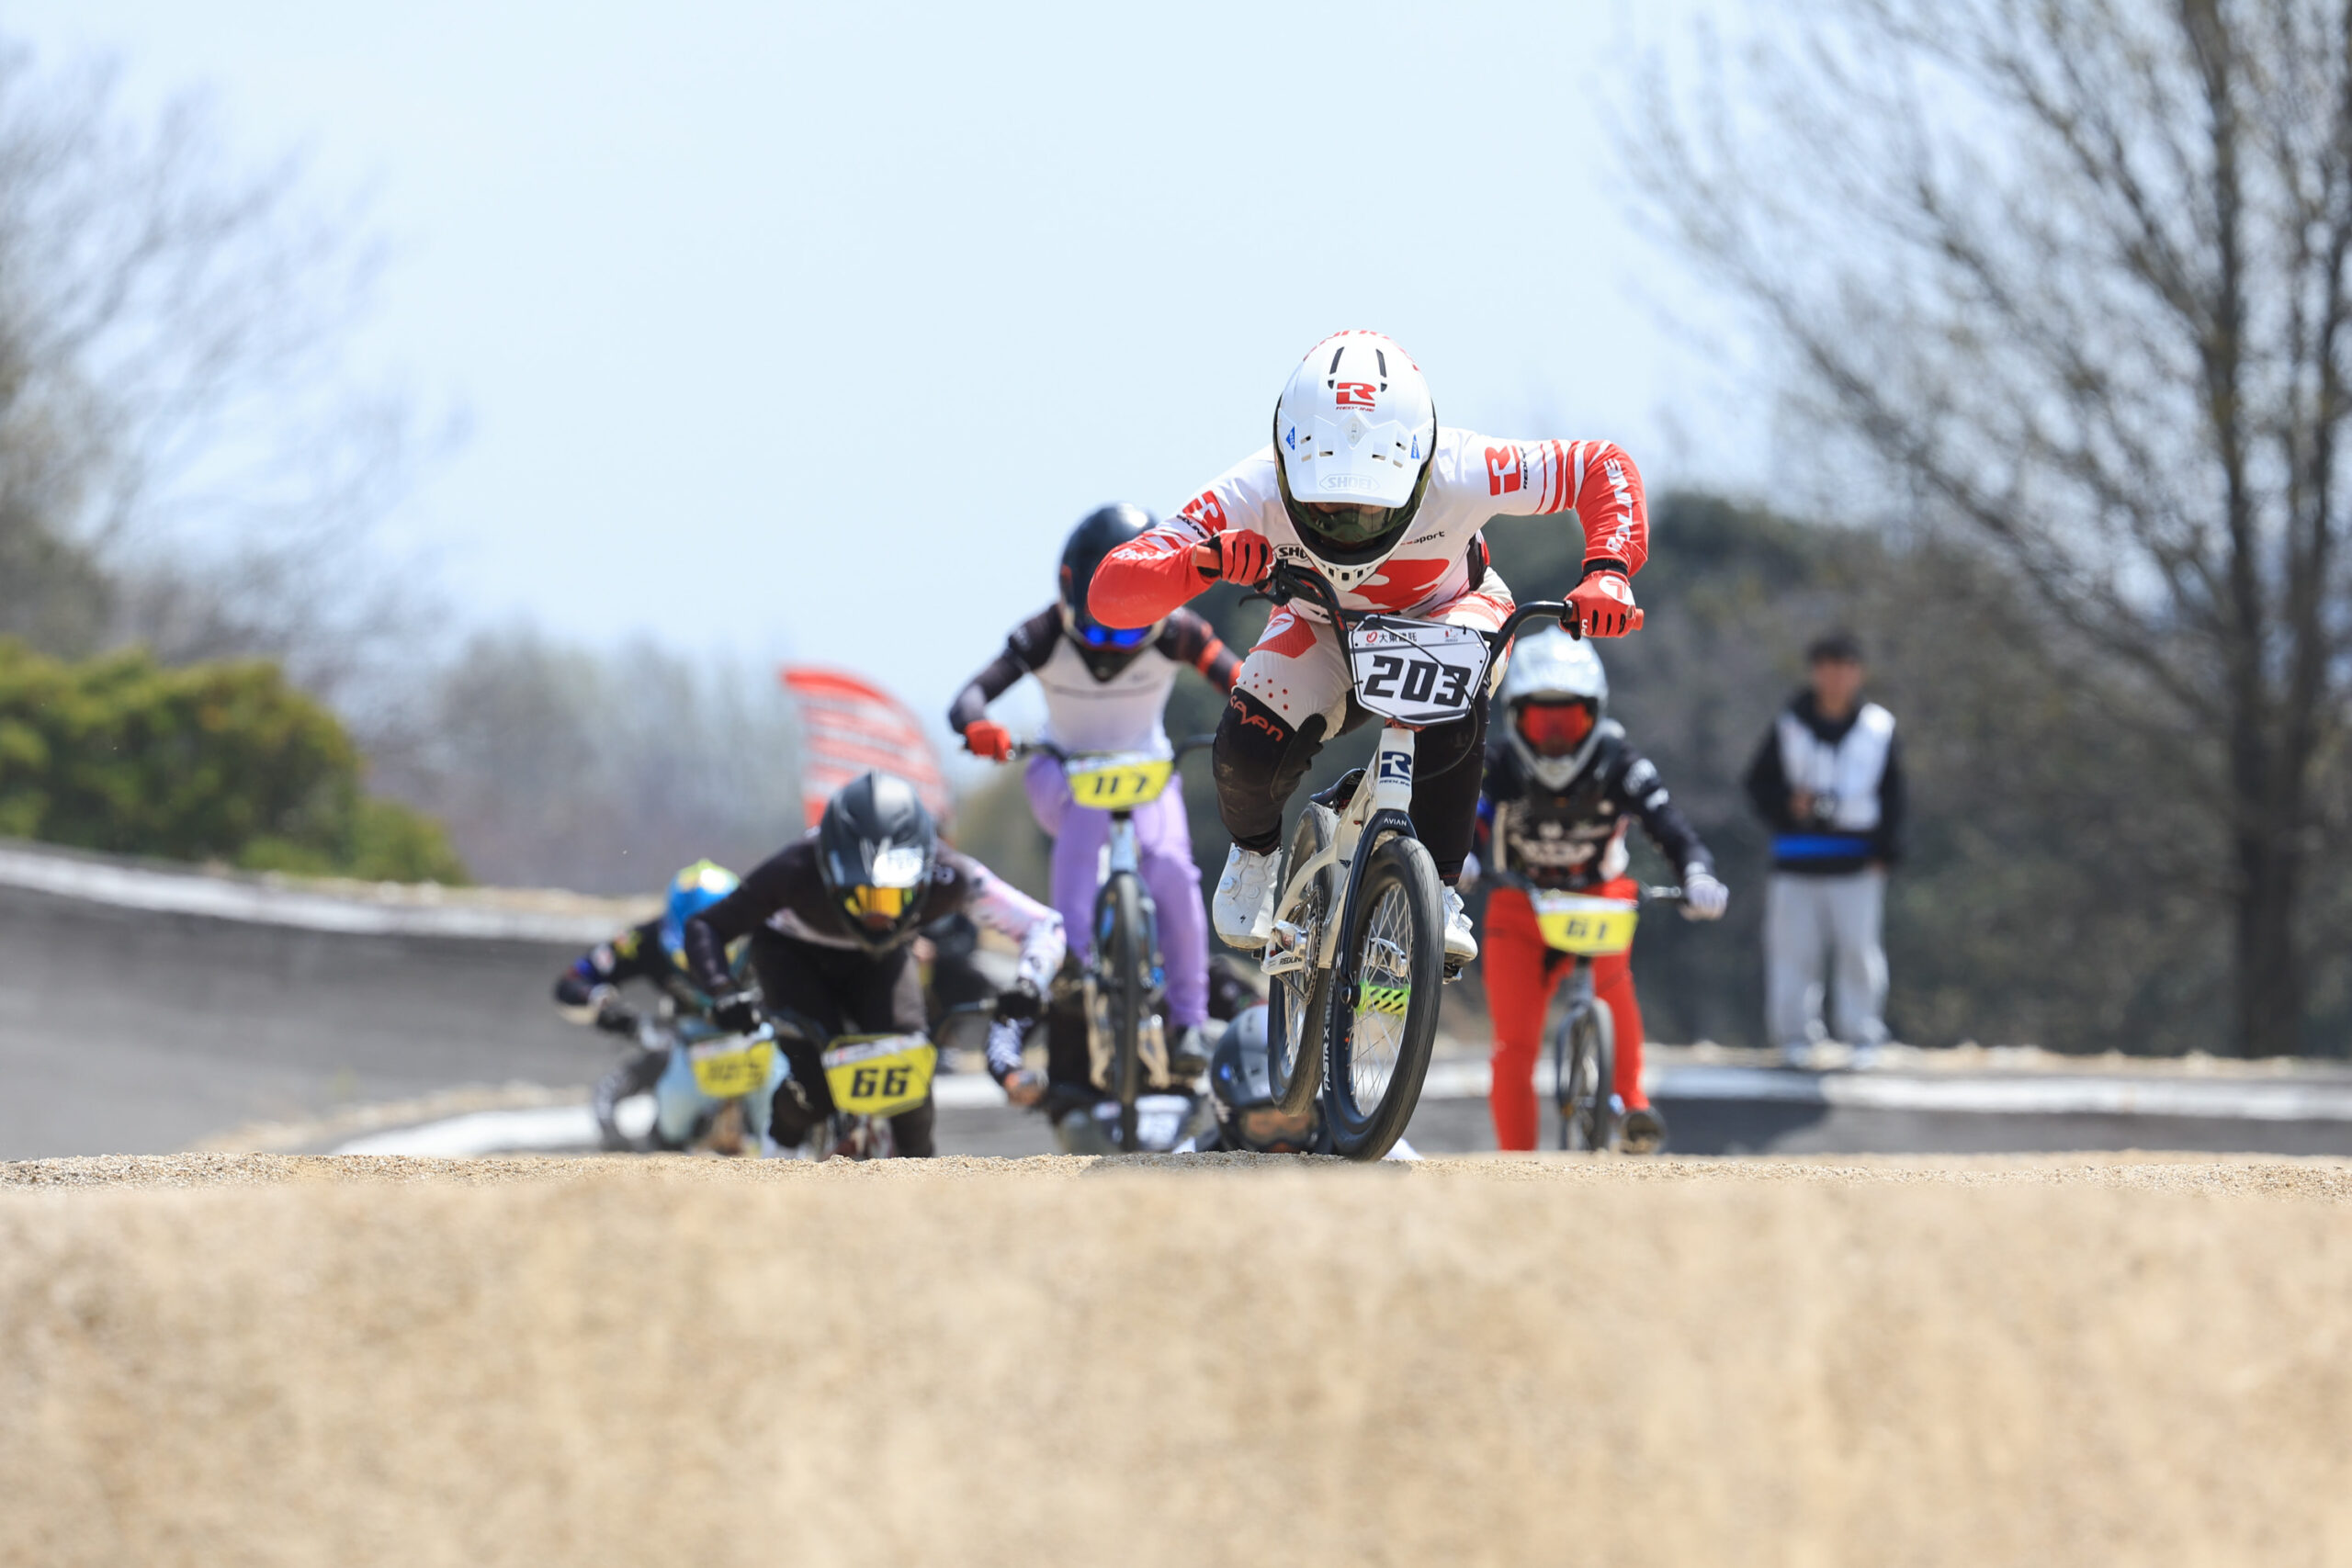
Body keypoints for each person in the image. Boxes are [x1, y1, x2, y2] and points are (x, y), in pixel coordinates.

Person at [1085, 330, 1649, 967]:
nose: (1350, 522)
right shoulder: (1253, 488)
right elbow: (1112, 589)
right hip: (1323, 624)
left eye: (1371, 506)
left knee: (1452, 684)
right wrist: (1200, 562)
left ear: (1420, 463)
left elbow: (1601, 467)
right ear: (1287, 462)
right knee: (1245, 753)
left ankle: (1437, 883)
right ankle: (1256, 855)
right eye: (1328, 503)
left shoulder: (1464, 465)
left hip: (1447, 612)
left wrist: (1608, 568)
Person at [949, 503, 1241, 1079]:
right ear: (1068, 598)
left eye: (1134, 628)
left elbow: (1243, 681)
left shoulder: (1181, 633)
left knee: (1175, 873)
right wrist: (979, 728)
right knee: (1086, 812)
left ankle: (1186, 1021)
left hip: (1148, 771)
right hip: (1062, 771)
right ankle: (1075, 961)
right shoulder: (1040, 636)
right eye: (1101, 625)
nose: (1113, 645)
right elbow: (968, 700)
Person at [680, 772, 1066, 1156]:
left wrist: (1030, 982)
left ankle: (920, 1179)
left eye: (893, 898)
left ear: (923, 873)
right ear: (828, 871)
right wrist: (722, 990)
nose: (876, 916)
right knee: (816, 1085)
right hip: (791, 954)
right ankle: (778, 1152)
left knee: (909, 1080)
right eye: (861, 896)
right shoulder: (794, 870)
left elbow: (1043, 924)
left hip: (881, 961)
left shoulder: (949, 875)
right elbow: (705, 926)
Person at [1469, 631, 1726, 1153]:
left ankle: (1631, 1106)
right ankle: (1514, 1165)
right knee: (1514, 1046)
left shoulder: (1620, 761)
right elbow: (1468, 819)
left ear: (1595, 714)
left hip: (1600, 895)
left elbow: (1669, 824)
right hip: (1520, 905)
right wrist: (1464, 858)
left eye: (1570, 722)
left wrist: (1697, 872)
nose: (1557, 738)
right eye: (1543, 722)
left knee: (1613, 987)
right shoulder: (1498, 765)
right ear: (1517, 718)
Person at [1742, 632, 1905, 1065]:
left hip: (1857, 862)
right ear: (1815, 672)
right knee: (1793, 953)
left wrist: (1885, 852)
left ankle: (1863, 1035)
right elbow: (1757, 785)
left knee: (1859, 952)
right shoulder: (1788, 725)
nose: (1835, 677)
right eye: (1827, 667)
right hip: (1796, 860)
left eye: (1844, 667)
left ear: (1858, 673)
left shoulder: (1878, 728)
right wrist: (1787, 804)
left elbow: (1894, 796)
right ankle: (1794, 1037)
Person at [551, 859, 743, 1146]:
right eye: (689, 957)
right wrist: (603, 1005)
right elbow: (573, 981)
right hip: (685, 1042)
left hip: (762, 1038)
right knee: (661, 1047)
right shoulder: (642, 940)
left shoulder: (769, 936)